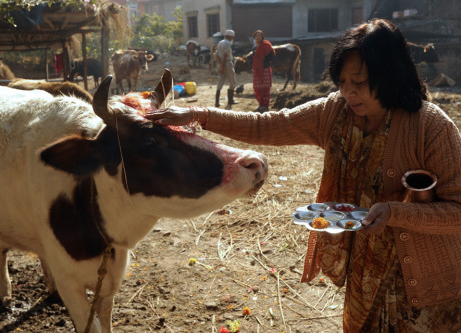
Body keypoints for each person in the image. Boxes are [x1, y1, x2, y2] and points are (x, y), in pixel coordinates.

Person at [145, 18, 461, 332]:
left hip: (424, 289)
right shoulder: (335, 113)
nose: (348, 93)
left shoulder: (431, 128)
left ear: (391, 74)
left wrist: (396, 213)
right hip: (365, 278)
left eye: (359, 82)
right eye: (341, 83)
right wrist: (199, 114)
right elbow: (267, 125)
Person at [251, 30, 275, 112]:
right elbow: (253, 60)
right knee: (258, 88)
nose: (258, 37)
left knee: (265, 89)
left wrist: (263, 60)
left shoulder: (267, 46)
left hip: (265, 70)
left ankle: (265, 105)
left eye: (259, 36)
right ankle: (261, 104)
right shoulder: (254, 48)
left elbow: (271, 57)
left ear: (262, 37)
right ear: (254, 37)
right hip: (257, 71)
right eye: (256, 36)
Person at [215, 29, 238, 109]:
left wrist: (220, 65)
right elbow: (225, 55)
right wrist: (222, 66)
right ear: (230, 36)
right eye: (232, 36)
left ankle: (217, 102)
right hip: (227, 64)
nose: (233, 38)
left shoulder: (220, 42)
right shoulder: (228, 43)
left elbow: (216, 55)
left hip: (220, 63)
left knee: (220, 82)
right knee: (233, 82)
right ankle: (230, 100)